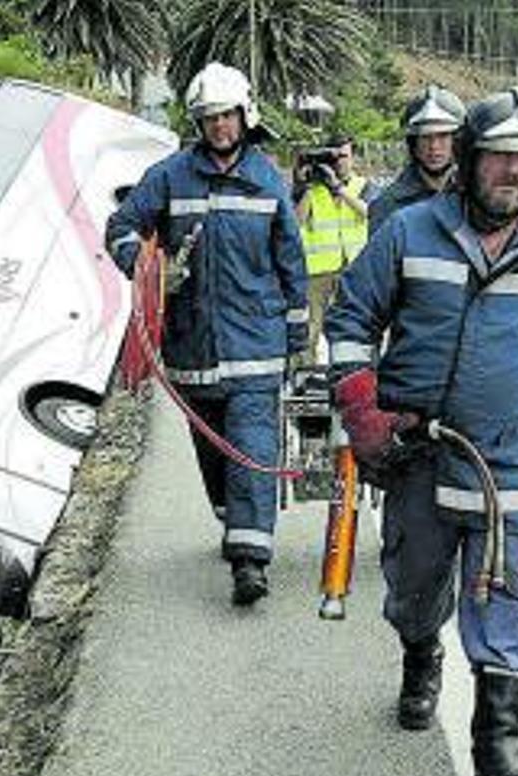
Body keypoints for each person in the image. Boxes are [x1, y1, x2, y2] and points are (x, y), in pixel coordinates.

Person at [324, 88, 518, 776]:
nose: (512, 172)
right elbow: (351, 318)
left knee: (506, 596)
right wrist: (362, 407)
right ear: (468, 159)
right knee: (414, 588)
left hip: (508, 459)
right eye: (499, 156)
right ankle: (420, 656)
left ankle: (498, 746)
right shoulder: (408, 232)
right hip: (416, 451)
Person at [105, 62, 308, 607]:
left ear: (246, 116)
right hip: (192, 347)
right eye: (210, 118)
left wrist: (296, 331)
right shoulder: (169, 177)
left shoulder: (267, 180)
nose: (220, 126)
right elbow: (121, 227)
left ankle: (250, 563)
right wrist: (148, 264)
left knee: (251, 444)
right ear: (199, 123)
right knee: (212, 449)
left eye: (227, 116)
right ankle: (232, 518)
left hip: (255, 345)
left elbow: (291, 260)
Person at [292, 133, 374, 361]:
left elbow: (370, 213)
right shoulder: (313, 187)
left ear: (353, 158)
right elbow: (296, 222)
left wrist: (338, 189)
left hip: (355, 268)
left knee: (353, 327)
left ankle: (353, 372)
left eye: (344, 156)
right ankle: (304, 377)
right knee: (310, 328)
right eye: (334, 157)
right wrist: (307, 186)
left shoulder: (362, 186)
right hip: (318, 270)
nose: (339, 162)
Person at [368, 85, 466, 235]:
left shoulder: (475, 199)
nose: (434, 146)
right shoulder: (388, 206)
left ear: (457, 140)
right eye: (425, 137)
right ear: (413, 143)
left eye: (443, 136)